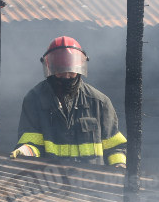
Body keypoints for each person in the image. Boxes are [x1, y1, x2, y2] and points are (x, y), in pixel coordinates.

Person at [10, 37, 126, 167]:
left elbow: (115, 146)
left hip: (89, 181)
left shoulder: (99, 102)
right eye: (60, 71)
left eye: (71, 70)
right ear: (50, 68)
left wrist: (119, 167)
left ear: (79, 68)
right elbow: (31, 142)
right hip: (50, 180)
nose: (66, 76)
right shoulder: (35, 99)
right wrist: (24, 152)